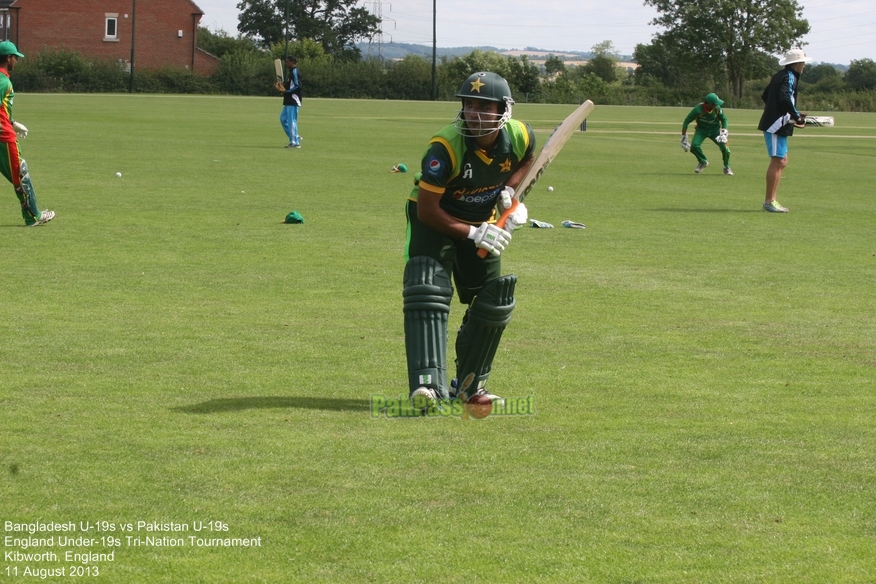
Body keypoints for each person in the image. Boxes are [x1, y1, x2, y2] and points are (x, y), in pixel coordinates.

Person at [403, 71, 534, 407]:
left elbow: (529, 161)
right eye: (468, 105)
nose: (474, 114)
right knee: (427, 287)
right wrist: (473, 233)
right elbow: (427, 211)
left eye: (483, 107)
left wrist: (511, 194)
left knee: (492, 300)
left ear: (504, 110)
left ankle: (470, 386)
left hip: (484, 219)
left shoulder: (519, 135)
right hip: (435, 220)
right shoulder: (444, 147)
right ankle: (427, 385)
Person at [0, 41, 53, 226]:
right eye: (15, 57)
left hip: (5, 132)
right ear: (8, 58)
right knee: (20, 175)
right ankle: (33, 217)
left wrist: (13, 123)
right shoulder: (3, 80)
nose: (17, 61)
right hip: (4, 139)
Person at [758, 48, 812, 213]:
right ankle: (769, 201)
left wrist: (787, 114)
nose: (804, 65)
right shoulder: (788, 77)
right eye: (802, 62)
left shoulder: (782, 75)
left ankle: (771, 200)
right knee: (778, 161)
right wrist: (795, 116)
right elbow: (784, 97)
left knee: (782, 161)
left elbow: (766, 96)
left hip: (779, 122)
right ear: (796, 63)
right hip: (776, 124)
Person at [680, 93, 732, 175]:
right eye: (714, 104)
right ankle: (702, 162)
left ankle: (727, 166)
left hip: (715, 131)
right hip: (701, 130)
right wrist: (683, 136)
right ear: (708, 104)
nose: (716, 105)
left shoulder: (717, 108)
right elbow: (686, 121)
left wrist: (724, 131)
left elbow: (724, 120)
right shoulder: (698, 110)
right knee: (694, 146)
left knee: (725, 149)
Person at [275, 55, 301, 148]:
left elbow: (298, 86)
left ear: (292, 62)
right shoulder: (290, 73)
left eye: (287, 62)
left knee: (291, 121)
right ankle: (295, 136)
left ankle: (295, 143)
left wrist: (286, 91)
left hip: (293, 99)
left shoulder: (295, 72)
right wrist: (282, 86)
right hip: (288, 100)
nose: (286, 63)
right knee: (283, 119)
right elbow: (289, 85)